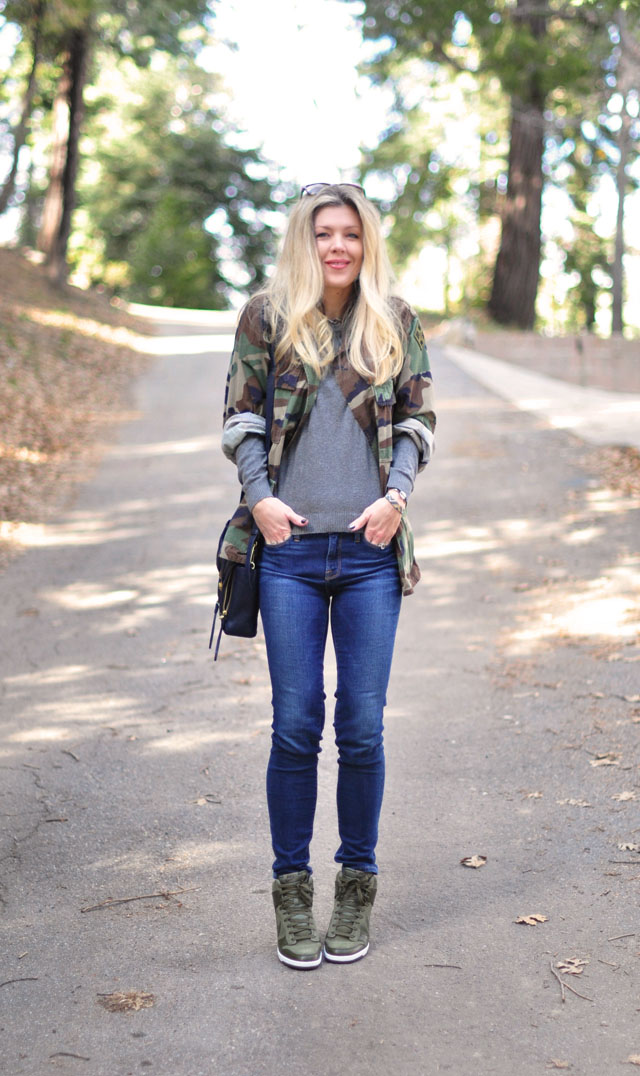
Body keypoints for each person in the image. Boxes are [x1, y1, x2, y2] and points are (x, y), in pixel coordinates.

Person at [221, 182, 435, 969]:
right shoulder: (268, 318)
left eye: (349, 234)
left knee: (363, 727)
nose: (337, 246)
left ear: (366, 242)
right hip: (292, 553)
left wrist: (397, 497)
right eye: (323, 235)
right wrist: (262, 502)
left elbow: (416, 422)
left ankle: (356, 886)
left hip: (372, 550)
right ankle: (290, 890)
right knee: (296, 724)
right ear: (304, 243)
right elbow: (241, 419)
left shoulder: (394, 321)